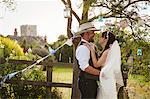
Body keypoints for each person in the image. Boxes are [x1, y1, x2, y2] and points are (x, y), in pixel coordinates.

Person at [84, 31, 124, 99]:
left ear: (106, 38)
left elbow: (96, 64)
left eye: (101, 37)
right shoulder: (109, 51)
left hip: (106, 79)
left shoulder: (107, 52)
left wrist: (92, 51)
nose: (99, 38)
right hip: (108, 78)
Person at [75, 22, 101, 99]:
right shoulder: (83, 48)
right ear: (86, 34)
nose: (94, 34)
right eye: (92, 32)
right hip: (87, 82)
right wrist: (101, 73)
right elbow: (85, 67)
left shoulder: (88, 46)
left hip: (90, 81)